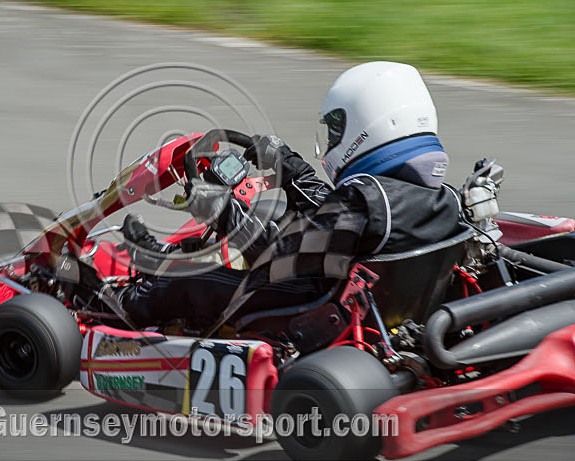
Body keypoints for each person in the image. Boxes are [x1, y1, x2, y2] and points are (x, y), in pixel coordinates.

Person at [73, 61, 465, 327]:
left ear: (370, 125)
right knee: (270, 218)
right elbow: (334, 222)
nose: (333, 141)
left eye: (337, 130)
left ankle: (114, 307)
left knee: (187, 280)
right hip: (375, 305)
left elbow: (279, 257)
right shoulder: (437, 198)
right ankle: (162, 259)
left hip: (312, 309)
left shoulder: (363, 202)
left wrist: (223, 212)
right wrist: (291, 169)